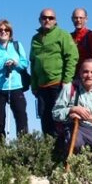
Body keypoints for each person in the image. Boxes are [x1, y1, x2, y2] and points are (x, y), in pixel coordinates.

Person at [30, 8, 78, 139]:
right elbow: (33, 62)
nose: (47, 20)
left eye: (50, 18)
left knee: (59, 118)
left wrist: (67, 80)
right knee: (44, 118)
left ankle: (61, 149)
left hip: (57, 84)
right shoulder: (35, 39)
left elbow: (72, 56)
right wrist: (33, 85)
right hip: (41, 87)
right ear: (40, 20)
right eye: (44, 17)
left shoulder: (62, 35)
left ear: (55, 20)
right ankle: (48, 150)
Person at [52, 58, 92, 157]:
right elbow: (56, 112)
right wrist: (73, 109)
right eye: (86, 72)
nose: (89, 75)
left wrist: (87, 116)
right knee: (75, 144)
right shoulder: (69, 88)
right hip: (74, 127)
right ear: (80, 73)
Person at [0, 19, 30, 146]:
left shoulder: (17, 45)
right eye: (0, 30)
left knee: (21, 117)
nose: (3, 32)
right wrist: (4, 61)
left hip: (15, 86)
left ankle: (24, 147)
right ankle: (1, 148)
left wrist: (15, 63)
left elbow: (24, 64)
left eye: (6, 30)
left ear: (10, 32)